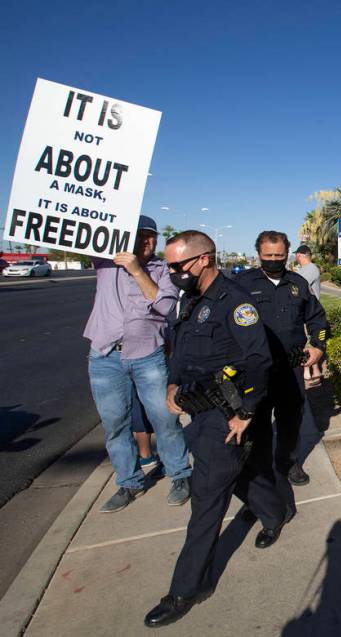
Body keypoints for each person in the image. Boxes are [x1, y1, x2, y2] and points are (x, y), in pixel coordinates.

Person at [145, 230, 287, 628]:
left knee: (206, 499)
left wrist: (246, 414)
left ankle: (187, 588)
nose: (172, 272)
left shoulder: (235, 303)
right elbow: (180, 348)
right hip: (199, 411)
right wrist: (173, 384)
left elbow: (259, 361)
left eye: (177, 266)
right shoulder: (190, 300)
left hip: (228, 414)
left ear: (204, 259)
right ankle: (275, 513)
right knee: (239, 476)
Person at [84, 214, 191, 513]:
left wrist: (135, 270)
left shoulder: (163, 270)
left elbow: (165, 306)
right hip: (105, 356)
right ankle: (129, 482)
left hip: (148, 354)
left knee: (165, 419)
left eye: (151, 236)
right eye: (141, 235)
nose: (148, 241)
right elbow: (83, 231)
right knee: (115, 424)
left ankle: (180, 475)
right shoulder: (106, 263)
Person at [236, 231, 328, 495]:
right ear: (259, 255)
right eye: (268, 256)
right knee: (259, 422)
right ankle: (260, 469)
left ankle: (287, 462)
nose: (274, 260)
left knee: (291, 419)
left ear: (287, 254)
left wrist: (318, 346)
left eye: (279, 256)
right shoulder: (241, 284)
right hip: (255, 371)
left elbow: (318, 319)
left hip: (291, 368)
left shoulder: (298, 283)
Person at [293, 244, 324, 388]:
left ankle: (309, 373)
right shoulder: (304, 269)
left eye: (295, 255)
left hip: (310, 313)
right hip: (304, 311)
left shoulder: (310, 269)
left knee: (307, 344)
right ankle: (316, 372)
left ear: (299, 255)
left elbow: (296, 284)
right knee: (309, 344)